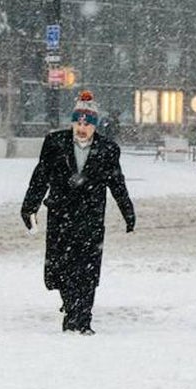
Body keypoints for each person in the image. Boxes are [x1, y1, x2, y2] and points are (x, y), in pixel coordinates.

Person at [21, 90, 135, 335]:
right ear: (73, 121)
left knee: (87, 270)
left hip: (90, 219)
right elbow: (40, 176)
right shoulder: (55, 143)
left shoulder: (108, 149)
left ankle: (81, 318)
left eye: (88, 123)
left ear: (95, 125)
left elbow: (117, 182)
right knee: (60, 269)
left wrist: (127, 210)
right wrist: (30, 206)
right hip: (61, 216)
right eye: (78, 122)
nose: (82, 128)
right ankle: (71, 303)